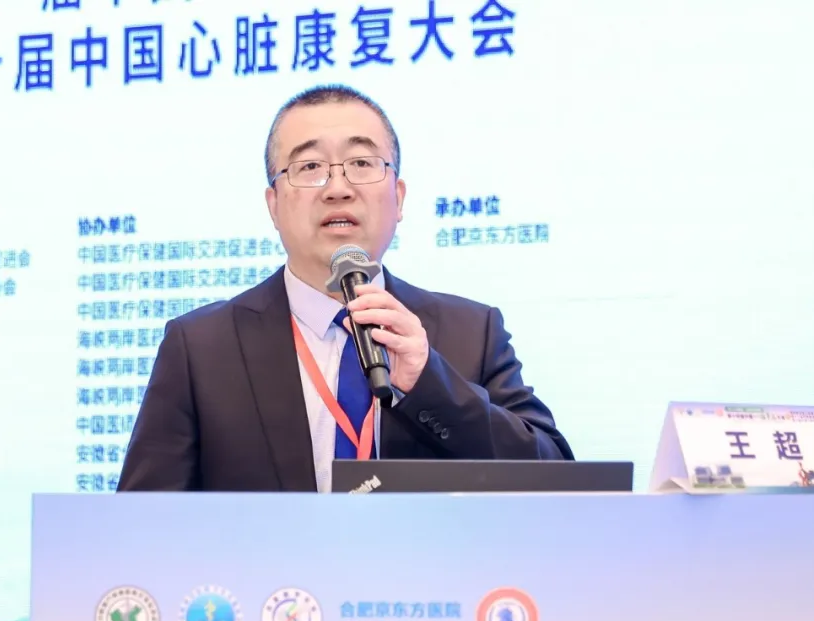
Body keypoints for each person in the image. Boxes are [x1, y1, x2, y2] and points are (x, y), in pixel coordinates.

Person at [117, 84, 573, 493]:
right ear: (273, 205)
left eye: (361, 163)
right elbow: (142, 524)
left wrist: (431, 385)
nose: (337, 188)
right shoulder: (201, 348)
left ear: (399, 198)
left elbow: (556, 481)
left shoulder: (471, 332)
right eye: (310, 167)